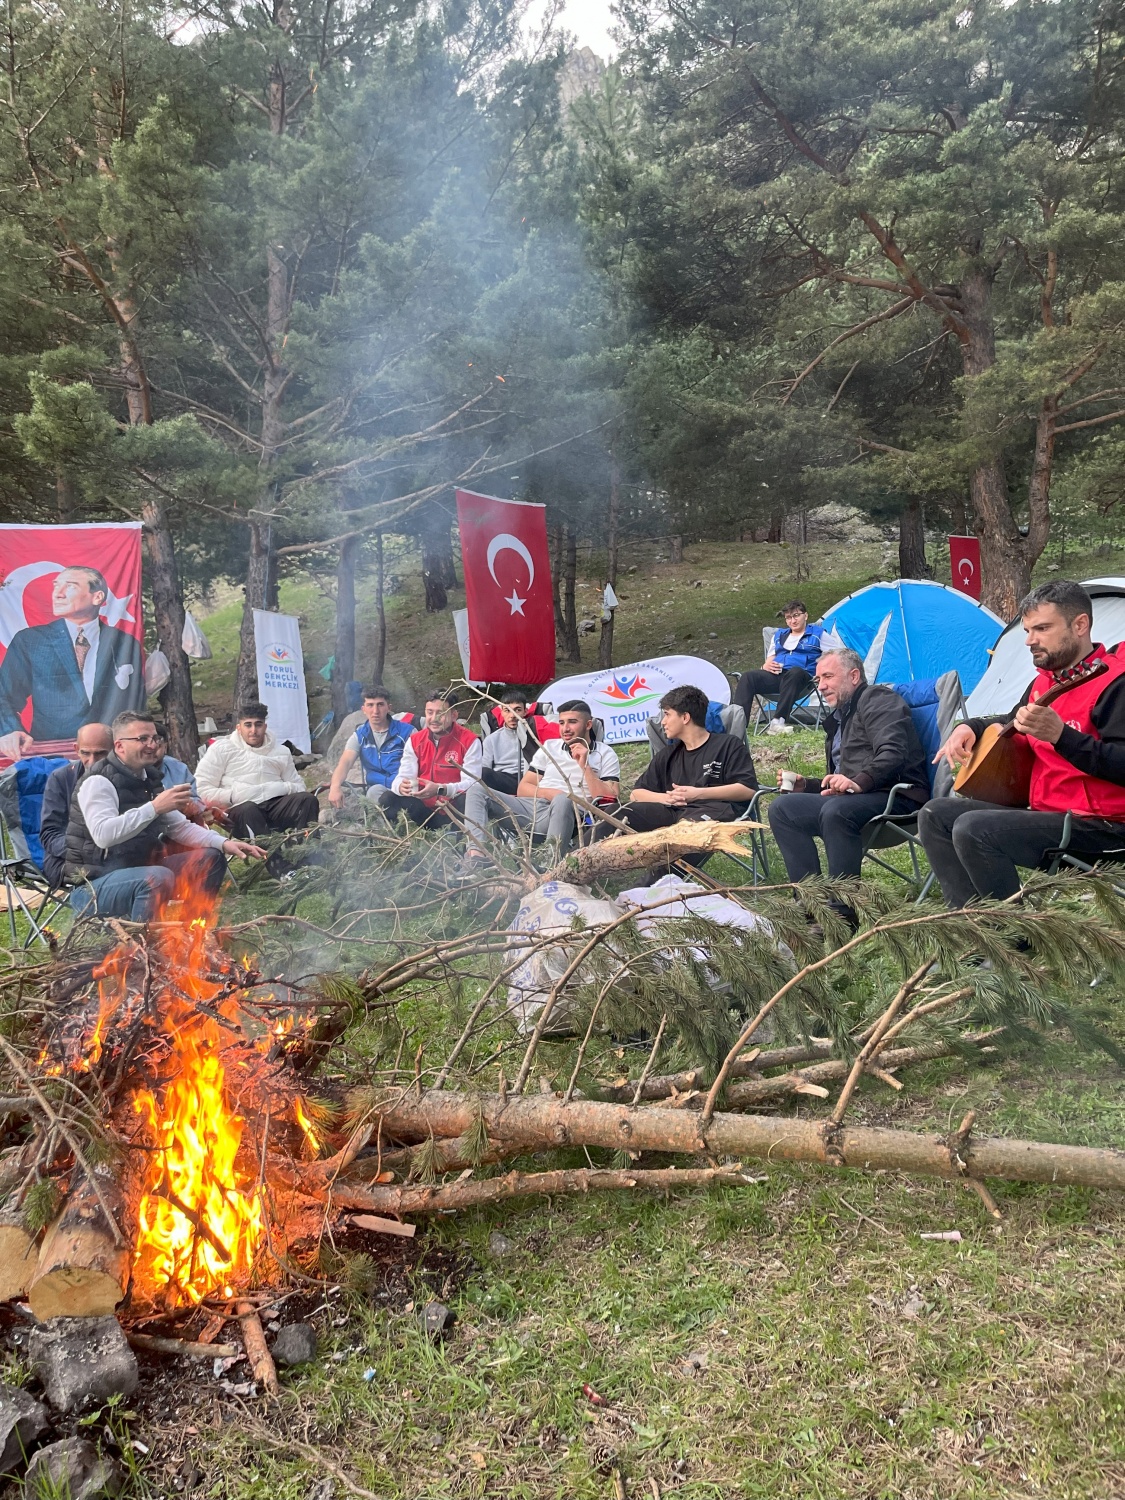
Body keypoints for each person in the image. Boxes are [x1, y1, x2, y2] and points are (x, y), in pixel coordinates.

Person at [919, 580, 1125, 905]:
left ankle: (1014, 940)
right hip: (1049, 815)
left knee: (975, 827)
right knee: (935, 813)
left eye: (1042, 628)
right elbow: (1012, 721)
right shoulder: (1045, 682)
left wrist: (1062, 737)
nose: (1029, 640)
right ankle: (974, 927)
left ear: (1080, 625)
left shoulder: (1115, 683)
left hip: (1103, 826)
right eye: (1027, 630)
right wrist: (971, 726)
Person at [768, 649, 929, 914]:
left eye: (828, 677)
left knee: (836, 811)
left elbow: (893, 753)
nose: (820, 686)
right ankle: (811, 904)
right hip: (858, 798)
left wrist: (858, 783)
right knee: (783, 809)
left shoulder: (878, 700)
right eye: (818, 680)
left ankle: (843, 913)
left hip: (897, 796)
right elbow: (845, 777)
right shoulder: (840, 717)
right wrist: (806, 785)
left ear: (854, 676)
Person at [64, 710, 264, 920]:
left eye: (155, 738)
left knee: (210, 859)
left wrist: (224, 843)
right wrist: (154, 807)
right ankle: (145, 948)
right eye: (142, 739)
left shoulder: (148, 777)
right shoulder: (98, 781)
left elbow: (179, 827)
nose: (152, 745)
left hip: (140, 870)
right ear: (119, 746)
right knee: (157, 877)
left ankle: (191, 935)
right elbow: (103, 836)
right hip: (93, 886)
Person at [0, 566, 144, 759]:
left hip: (113, 756)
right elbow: (3, 695)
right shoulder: (31, 641)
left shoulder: (124, 643)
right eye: (55, 586)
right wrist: (10, 730)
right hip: (51, 757)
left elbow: (134, 702)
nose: (57, 594)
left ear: (97, 597)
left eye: (70, 586)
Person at [464, 698, 620, 861]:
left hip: (572, 814)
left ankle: (550, 864)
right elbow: (523, 788)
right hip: (533, 807)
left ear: (588, 725)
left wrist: (585, 766)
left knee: (562, 800)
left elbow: (609, 799)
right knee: (477, 790)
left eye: (572, 722)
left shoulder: (604, 753)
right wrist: (550, 793)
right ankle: (477, 856)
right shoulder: (550, 747)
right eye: (561, 723)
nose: (565, 729)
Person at [612, 685, 758, 834]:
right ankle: (590, 855)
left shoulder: (728, 745)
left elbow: (748, 790)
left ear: (685, 717)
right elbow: (636, 794)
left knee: (684, 832)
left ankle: (666, 856)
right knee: (614, 812)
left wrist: (698, 793)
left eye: (667, 714)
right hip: (671, 811)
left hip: (714, 809)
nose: (663, 722)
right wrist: (667, 798)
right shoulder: (668, 754)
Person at [195, 702, 320, 840]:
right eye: (248, 725)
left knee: (307, 800)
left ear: (265, 727)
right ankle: (274, 859)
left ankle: (308, 854)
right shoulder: (222, 749)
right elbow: (201, 788)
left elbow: (299, 786)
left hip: (276, 805)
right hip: (239, 808)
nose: (253, 730)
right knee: (249, 809)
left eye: (258, 724)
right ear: (239, 728)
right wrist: (232, 796)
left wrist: (284, 787)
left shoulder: (281, 751)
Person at [382, 690, 482, 829]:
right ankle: (410, 842)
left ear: (454, 715)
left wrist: (441, 789)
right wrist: (400, 786)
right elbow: (403, 776)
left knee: (469, 798)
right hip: (424, 808)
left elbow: (473, 784)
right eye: (429, 712)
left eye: (440, 713)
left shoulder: (469, 741)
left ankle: (464, 844)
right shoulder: (415, 740)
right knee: (388, 799)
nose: (434, 718)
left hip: (455, 809)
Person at [38, 722, 113, 890]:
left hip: (112, 857)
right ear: (76, 749)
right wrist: (88, 852)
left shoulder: (123, 777)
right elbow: (49, 834)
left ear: (114, 749)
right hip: (65, 859)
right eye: (86, 753)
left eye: (101, 754)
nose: (92, 761)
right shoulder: (60, 779)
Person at [733, 601, 824, 735]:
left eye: (796, 615)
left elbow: (833, 656)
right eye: (788, 617)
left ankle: (778, 722)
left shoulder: (818, 634)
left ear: (805, 616)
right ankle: (737, 726)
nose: (793, 620)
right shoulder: (779, 636)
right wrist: (765, 666)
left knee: (795, 672)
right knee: (748, 677)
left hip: (802, 680)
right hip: (778, 677)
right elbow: (770, 659)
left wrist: (822, 674)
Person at [326, 686, 413, 811]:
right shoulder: (360, 736)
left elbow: (423, 762)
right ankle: (381, 828)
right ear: (364, 709)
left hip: (404, 787)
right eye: (370, 705)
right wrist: (334, 787)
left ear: (389, 707)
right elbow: (345, 763)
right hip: (378, 789)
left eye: (380, 705)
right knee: (374, 792)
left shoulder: (407, 732)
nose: (375, 711)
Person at [481, 691, 544, 795]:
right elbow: (485, 767)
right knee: (482, 773)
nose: (512, 715)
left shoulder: (535, 734)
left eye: (517, 710)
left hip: (530, 778)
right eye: (507, 710)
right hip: (504, 778)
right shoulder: (492, 739)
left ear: (525, 711)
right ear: (501, 712)